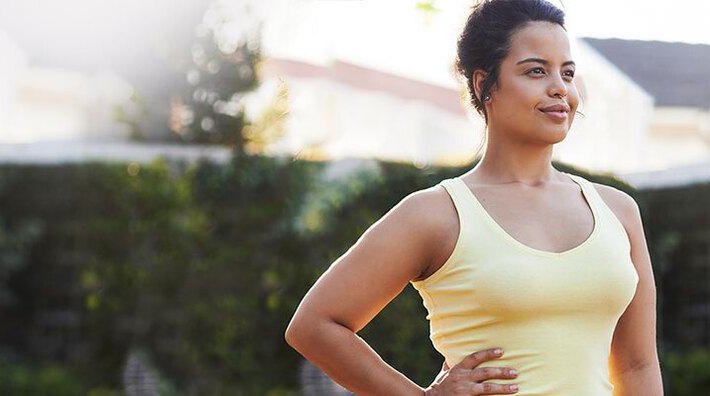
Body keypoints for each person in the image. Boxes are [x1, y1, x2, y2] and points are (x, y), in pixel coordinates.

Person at [284, 0, 664, 394]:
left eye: (567, 73)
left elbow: (637, 366)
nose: (560, 88)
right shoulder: (436, 214)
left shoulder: (618, 211)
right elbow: (314, 326)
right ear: (484, 84)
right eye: (536, 71)